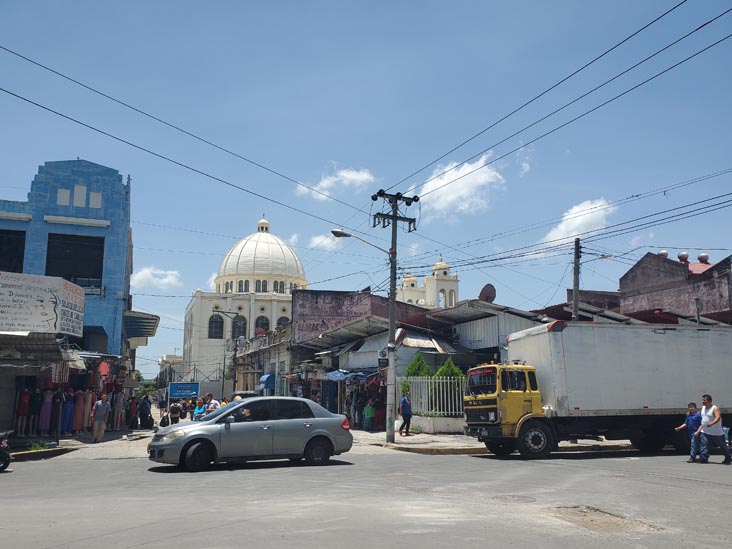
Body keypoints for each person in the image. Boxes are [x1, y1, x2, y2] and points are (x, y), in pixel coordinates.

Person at [695, 394, 732, 464]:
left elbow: (718, 417)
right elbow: (703, 415)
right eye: (702, 400)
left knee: (722, 446)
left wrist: (711, 423)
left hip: (716, 432)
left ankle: (728, 458)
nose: (703, 402)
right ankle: (703, 458)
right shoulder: (703, 408)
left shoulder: (714, 408)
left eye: (704, 400)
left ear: (709, 401)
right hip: (705, 431)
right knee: (704, 445)